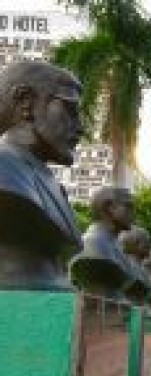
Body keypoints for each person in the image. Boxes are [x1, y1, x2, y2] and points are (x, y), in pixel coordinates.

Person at [0, 61, 84, 289]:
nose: (80, 127)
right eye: (70, 109)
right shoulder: (5, 169)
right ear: (26, 102)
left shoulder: (47, 181)